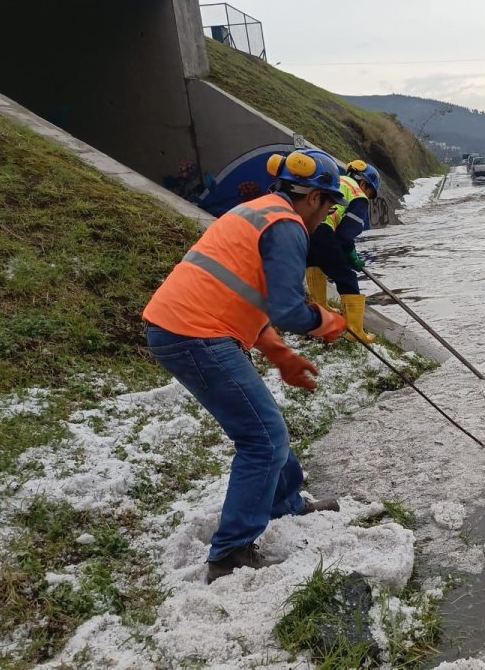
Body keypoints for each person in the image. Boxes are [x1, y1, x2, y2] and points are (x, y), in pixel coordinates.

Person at [143, 148, 350, 583]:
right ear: (313, 198)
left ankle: (284, 502)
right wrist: (327, 321)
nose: (328, 215)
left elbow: (243, 293)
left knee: (264, 423)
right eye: (330, 204)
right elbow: (289, 309)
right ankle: (231, 551)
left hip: (188, 327)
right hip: (194, 334)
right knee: (262, 436)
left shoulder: (256, 212)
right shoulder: (288, 226)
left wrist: (280, 354)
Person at [305, 159, 383, 344]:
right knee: (347, 278)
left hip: (307, 229)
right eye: (370, 192)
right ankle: (355, 331)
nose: (368, 196)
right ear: (364, 183)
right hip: (325, 232)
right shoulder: (357, 195)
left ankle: (320, 309)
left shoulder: (334, 180)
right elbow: (346, 234)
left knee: (315, 265)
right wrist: (350, 255)